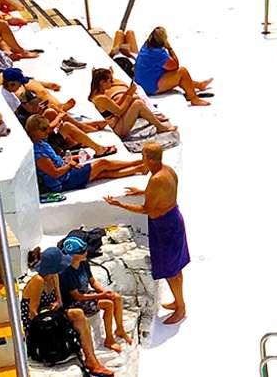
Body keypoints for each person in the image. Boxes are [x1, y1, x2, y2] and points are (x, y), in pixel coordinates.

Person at [103, 140, 189, 324]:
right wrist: (142, 191)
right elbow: (163, 192)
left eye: (143, 156)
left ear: (148, 159)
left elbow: (147, 209)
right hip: (173, 219)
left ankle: (181, 307)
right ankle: (178, 301)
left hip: (165, 226)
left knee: (171, 270)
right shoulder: (167, 171)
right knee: (175, 266)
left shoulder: (156, 179)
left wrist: (120, 204)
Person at [21, 240, 115, 377]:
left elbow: (59, 301)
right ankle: (90, 361)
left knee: (78, 314)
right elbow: (32, 312)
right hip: (38, 321)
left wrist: (56, 306)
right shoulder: (38, 281)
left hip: (51, 314)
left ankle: (91, 360)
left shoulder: (54, 276)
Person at [28, 116, 145, 193]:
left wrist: (69, 160)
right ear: (35, 131)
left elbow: (55, 161)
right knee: (102, 164)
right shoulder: (38, 153)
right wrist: (70, 165)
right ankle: (137, 163)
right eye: (44, 128)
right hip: (64, 180)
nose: (48, 130)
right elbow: (54, 173)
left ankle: (138, 168)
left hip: (66, 173)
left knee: (103, 173)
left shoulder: (42, 142)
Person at [55, 238, 129, 351]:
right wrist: (101, 296)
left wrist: (104, 292)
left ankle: (120, 329)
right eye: (82, 251)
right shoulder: (66, 272)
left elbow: (92, 281)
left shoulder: (83, 263)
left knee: (116, 298)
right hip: (74, 302)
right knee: (108, 304)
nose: (86, 253)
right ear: (73, 255)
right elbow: (77, 296)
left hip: (85, 295)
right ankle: (109, 339)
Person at [132, 27, 212, 106]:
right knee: (182, 72)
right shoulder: (158, 53)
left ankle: (198, 85)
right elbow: (175, 65)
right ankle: (194, 99)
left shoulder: (146, 45)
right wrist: (170, 48)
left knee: (174, 74)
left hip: (142, 82)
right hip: (150, 87)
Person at [88, 66, 175, 138]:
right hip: (117, 129)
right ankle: (160, 126)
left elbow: (115, 105)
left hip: (115, 122)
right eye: (110, 81)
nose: (112, 83)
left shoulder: (98, 94)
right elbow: (119, 111)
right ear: (102, 82)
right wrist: (129, 95)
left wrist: (128, 93)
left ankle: (154, 119)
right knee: (138, 104)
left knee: (135, 99)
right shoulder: (100, 98)